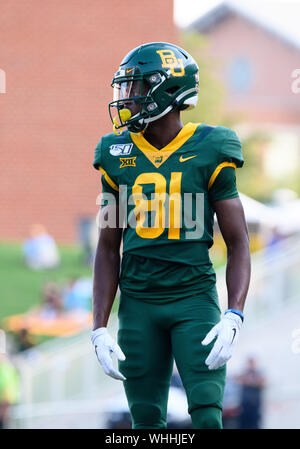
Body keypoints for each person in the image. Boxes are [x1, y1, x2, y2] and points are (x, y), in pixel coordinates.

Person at [91, 42, 251, 429]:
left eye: (136, 88)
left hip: (193, 300)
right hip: (138, 304)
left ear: (166, 90)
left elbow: (239, 241)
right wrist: (98, 326)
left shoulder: (211, 146)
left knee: (208, 417)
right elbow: (108, 246)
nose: (127, 99)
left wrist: (234, 314)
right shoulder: (115, 151)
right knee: (145, 422)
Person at [236, 357, 265, 429]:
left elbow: (262, 382)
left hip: (255, 404)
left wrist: (250, 381)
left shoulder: (259, 373)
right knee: (244, 424)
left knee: (254, 424)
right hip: (245, 404)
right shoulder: (245, 373)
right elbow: (237, 379)